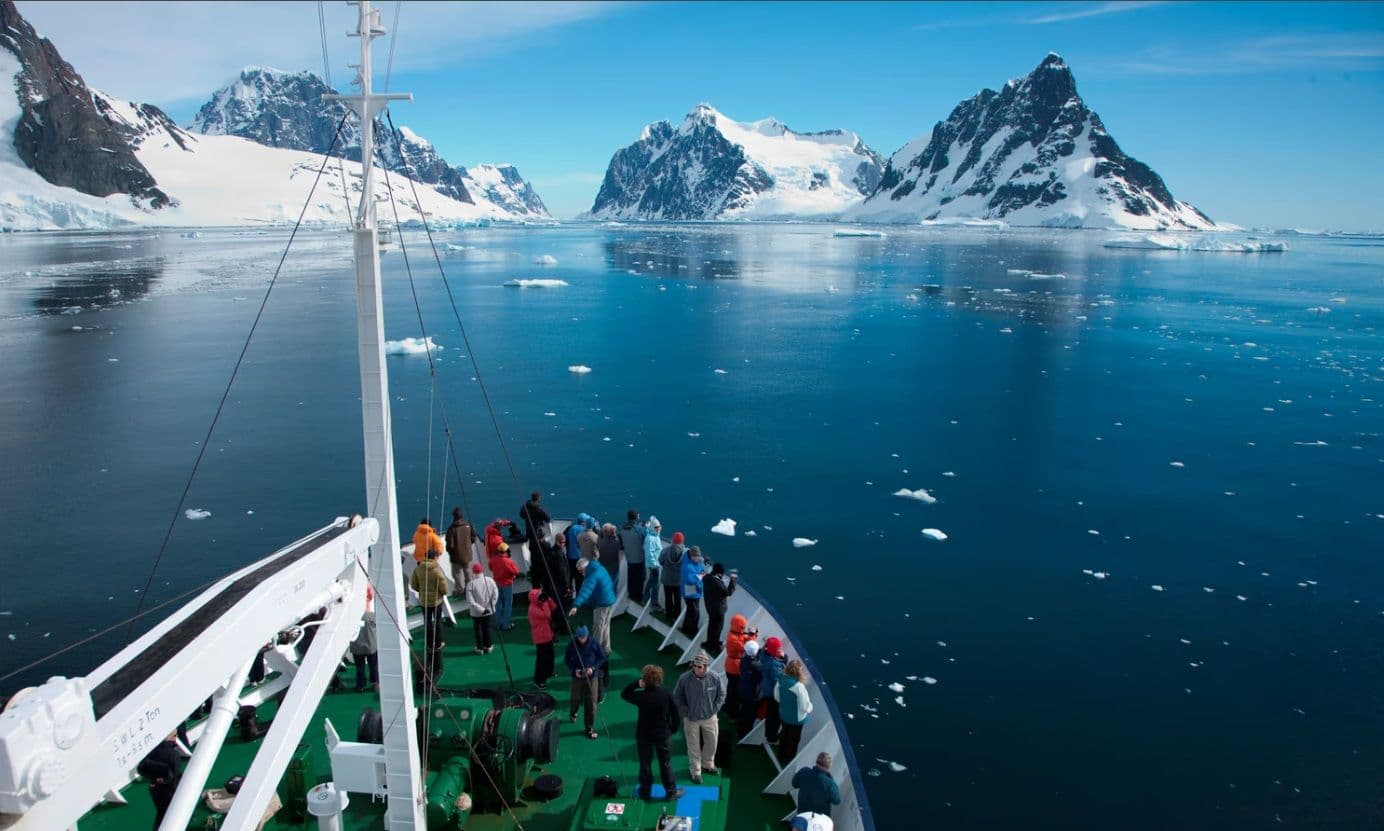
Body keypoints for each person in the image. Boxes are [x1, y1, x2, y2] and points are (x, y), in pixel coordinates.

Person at [621, 664, 685, 801]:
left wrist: (637, 684)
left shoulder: (641, 696)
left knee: (645, 763)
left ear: (645, 680)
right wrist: (672, 730)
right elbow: (676, 716)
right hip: (663, 735)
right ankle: (671, 792)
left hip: (644, 735)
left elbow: (624, 694)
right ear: (659, 679)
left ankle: (645, 792)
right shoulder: (666, 695)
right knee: (666, 764)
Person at [672, 650, 725, 784]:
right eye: (694, 666)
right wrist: (685, 712)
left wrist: (714, 709)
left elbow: (722, 695)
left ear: (706, 667)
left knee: (712, 742)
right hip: (691, 719)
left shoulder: (715, 678)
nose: (696, 668)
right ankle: (696, 772)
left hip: (710, 717)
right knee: (693, 746)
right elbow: (677, 696)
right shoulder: (684, 678)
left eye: (699, 666)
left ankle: (708, 764)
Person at [569, 557, 616, 698]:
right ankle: (606, 649)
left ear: (584, 568)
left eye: (580, 571)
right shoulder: (599, 568)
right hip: (609, 600)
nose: (580, 573)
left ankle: (595, 655)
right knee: (605, 627)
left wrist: (576, 605)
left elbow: (586, 590)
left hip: (601, 604)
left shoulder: (591, 575)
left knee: (597, 629)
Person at [564, 625, 606, 739]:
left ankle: (589, 727)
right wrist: (575, 670)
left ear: (587, 635)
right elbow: (567, 660)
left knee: (591, 703)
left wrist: (592, 668)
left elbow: (602, 657)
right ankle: (573, 712)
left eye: (584, 637)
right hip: (577, 676)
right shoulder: (572, 644)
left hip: (592, 677)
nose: (582, 639)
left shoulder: (594, 643)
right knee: (575, 698)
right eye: (580, 637)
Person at [409, 547, 450, 658]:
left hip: (424, 601)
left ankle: (429, 644)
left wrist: (421, 591)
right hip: (436, 601)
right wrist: (441, 593)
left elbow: (413, 584)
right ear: (435, 557)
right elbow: (444, 588)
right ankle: (438, 643)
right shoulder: (437, 570)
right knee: (437, 622)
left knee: (427, 622)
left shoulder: (418, 569)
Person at [137, 733, 183, 829]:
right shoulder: (174, 754)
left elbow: (141, 768)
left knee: (161, 813)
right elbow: (174, 774)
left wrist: (153, 779)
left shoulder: (151, 751)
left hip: (155, 789)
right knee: (176, 813)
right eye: (175, 735)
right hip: (170, 790)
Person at [775, 659, 814, 763]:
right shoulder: (799, 686)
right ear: (799, 671)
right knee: (793, 740)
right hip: (796, 720)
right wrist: (810, 707)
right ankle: (788, 760)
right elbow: (804, 707)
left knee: (784, 735)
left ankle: (780, 755)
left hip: (784, 715)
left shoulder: (780, 680)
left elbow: (777, 697)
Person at [723, 614, 756, 715]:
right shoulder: (733, 639)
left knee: (731, 688)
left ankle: (727, 707)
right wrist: (753, 636)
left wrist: (749, 636)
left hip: (730, 666)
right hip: (734, 668)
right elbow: (746, 648)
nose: (744, 629)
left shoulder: (733, 634)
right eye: (743, 627)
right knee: (735, 691)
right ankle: (732, 712)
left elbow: (743, 637)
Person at [757, 636, 788, 743]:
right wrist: (784, 659)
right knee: (774, 716)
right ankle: (771, 736)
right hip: (773, 693)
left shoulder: (763, 654)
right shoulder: (773, 664)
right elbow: (778, 680)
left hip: (766, 688)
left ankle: (768, 732)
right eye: (778, 648)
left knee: (770, 713)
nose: (780, 650)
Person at [792, 752, 841, 817]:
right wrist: (830, 778)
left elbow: (794, 784)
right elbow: (837, 800)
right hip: (819, 819)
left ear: (817, 761)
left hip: (802, 813)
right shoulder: (830, 783)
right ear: (828, 766)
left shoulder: (804, 771)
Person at [527, 587, 559, 689]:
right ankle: (539, 679)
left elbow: (554, 607)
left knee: (550, 654)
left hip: (548, 634)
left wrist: (548, 599)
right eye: (540, 596)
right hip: (540, 637)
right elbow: (546, 616)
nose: (542, 597)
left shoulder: (543, 603)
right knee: (542, 659)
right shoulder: (532, 609)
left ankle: (549, 671)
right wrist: (544, 602)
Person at [701, 562, 736, 653]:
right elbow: (729, 592)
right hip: (718, 610)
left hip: (710, 607)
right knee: (717, 628)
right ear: (718, 573)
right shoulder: (717, 583)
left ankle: (709, 642)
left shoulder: (707, 578)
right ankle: (714, 646)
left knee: (711, 625)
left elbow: (703, 576)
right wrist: (733, 580)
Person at [465, 561, 498, 654]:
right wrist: (489, 607)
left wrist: (481, 610)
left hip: (476, 613)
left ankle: (480, 648)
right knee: (487, 628)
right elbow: (495, 594)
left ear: (473, 572)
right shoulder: (490, 580)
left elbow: (471, 601)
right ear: (482, 570)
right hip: (489, 610)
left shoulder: (470, 584)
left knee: (478, 629)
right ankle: (488, 646)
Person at [350, 588, 379, 692]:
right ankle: (375, 683)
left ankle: (360, 685)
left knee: (360, 667)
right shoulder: (371, 616)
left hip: (356, 646)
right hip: (371, 645)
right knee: (373, 665)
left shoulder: (350, 617)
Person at [444, 507, 478, 594]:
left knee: (457, 574)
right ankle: (469, 589)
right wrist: (468, 545)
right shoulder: (468, 525)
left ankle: (459, 590)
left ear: (454, 516)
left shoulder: (452, 529)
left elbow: (450, 545)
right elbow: (474, 538)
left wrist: (450, 552)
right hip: (467, 554)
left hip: (456, 557)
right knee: (468, 573)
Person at [619, 510, 649, 602]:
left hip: (629, 557)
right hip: (639, 558)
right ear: (636, 517)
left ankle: (631, 594)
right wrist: (646, 527)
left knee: (631, 576)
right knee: (640, 578)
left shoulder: (622, 528)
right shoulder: (639, 529)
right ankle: (638, 596)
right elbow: (646, 537)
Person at [489, 542, 520, 630]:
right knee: (508, 604)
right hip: (507, 584)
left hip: (497, 583)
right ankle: (506, 624)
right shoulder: (508, 561)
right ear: (506, 551)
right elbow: (516, 572)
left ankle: (498, 623)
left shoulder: (493, 560)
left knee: (498, 604)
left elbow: (490, 567)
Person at [736, 639, 763, 737]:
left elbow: (755, 657)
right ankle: (744, 732)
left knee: (743, 709)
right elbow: (762, 667)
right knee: (750, 714)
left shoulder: (744, 659)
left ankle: (739, 728)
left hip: (743, 690)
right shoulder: (757, 665)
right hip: (752, 695)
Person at [679, 545, 707, 638]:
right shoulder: (687, 566)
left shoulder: (691, 561)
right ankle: (693, 631)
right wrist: (701, 576)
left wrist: (701, 571)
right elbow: (690, 580)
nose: (697, 558)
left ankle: (685, 628)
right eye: (695, 556)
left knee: (690, 611)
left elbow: (699, 567)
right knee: (695, 613)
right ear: (691, 555)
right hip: (691, 593)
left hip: (691, 592)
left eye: (698, 556)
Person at [659, 532, 687, 620]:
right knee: (677, 599)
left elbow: (660, 561)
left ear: (672, 540)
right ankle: (676, 616)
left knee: (668, 598)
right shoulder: (686, 553)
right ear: (682, 541)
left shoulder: (665, 550)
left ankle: (669, 614)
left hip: (667, 579)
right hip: (678, 581)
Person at [641, 517, 664, 607]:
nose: (658, 529)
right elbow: (649, 553)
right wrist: (655, 564)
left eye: (659, 527)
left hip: (654, 564)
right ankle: (654, 603)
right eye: (656, 527)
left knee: (651, 581)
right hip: (654, 565)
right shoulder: (650, 538)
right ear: (653, 528)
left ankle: (645, 599)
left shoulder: (654, 535)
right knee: (656, 584)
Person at [596, 523, 622, 594]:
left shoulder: (600, 542)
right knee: (613, 584)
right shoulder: (616, 542)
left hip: (603, 566)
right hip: (614, 567)